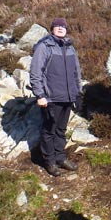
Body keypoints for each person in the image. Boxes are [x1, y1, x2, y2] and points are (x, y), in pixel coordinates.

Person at [30, 18, 82, 177]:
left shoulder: (70, 47)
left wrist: (77, 93)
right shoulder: (44, 46)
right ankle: (50, 161)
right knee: (49, 130)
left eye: (63, 27)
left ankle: (60, 157)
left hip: (67, 97)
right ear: (51, 29)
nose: (60, 28)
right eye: (57, 26)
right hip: (51, 98)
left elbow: (76, 73)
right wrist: (40, 95)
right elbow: (35, 72)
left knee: (61, 129)